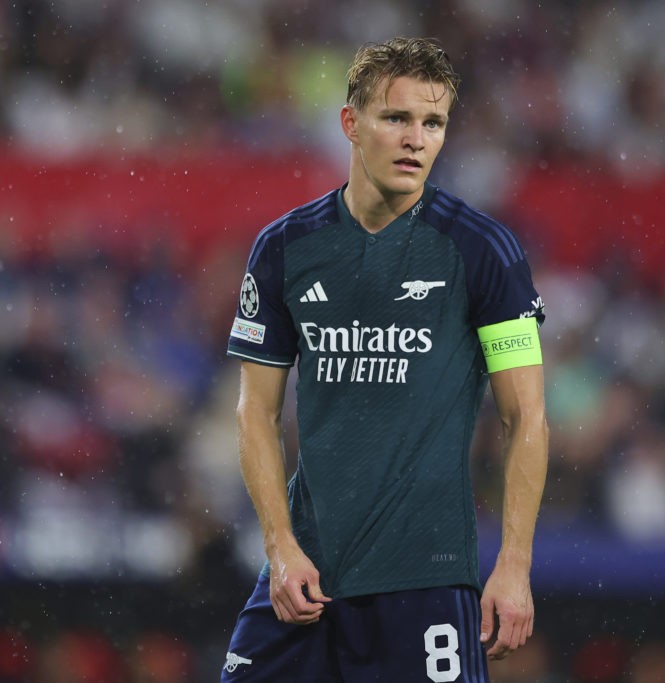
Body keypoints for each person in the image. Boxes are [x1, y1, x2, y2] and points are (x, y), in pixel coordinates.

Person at [222, 36, 548, 682]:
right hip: (307, 576)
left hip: (425, 574)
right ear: (350, 122)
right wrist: (281, 547)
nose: (415, 139)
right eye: (396, 117)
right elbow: (254, 412)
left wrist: (514, 563)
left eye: (433, 123)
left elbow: (526, 416)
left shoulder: (484, 251)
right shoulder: (285, 248)